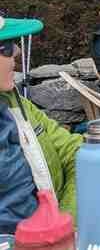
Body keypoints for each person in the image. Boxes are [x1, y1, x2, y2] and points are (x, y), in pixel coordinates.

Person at [0, 15, 83, 234]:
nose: (17, 51)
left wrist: (65, 223)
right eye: (5, 47)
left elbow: (76, 152)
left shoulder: (17, 104)